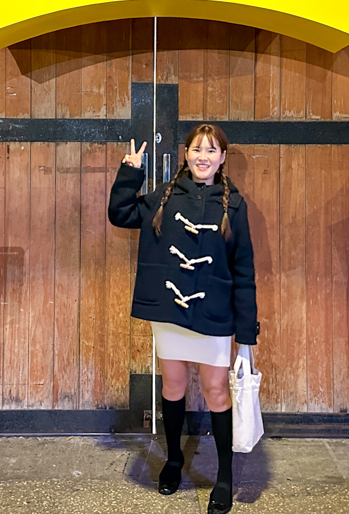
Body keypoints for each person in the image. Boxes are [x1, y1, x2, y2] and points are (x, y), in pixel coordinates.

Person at [108, 123, 259, 514]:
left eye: (211, 150)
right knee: (173, 385)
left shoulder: (235, 206)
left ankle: (224, 476)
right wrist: (130, 171)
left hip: (213, 311)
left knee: (217, 391)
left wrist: (246, 331)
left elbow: (244, 271)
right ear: (186, 155)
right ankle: (174, 459)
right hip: (170, 310)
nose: (203, 157)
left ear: (222, 158)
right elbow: (121, 213)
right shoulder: (166, 196)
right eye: (196, 149)